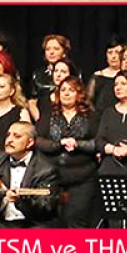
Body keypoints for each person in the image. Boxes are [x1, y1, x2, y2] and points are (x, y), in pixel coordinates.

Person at [36, 78, 101, 228]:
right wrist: (59, 144)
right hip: (52, 177)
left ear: (79, 94)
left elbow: (98, 142)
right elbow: (38, 140)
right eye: (63, 90)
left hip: (82, 178)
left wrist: (78, 144)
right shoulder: (49, 115)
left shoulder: (91, 116)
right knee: (51, 222)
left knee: (75, 220)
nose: (66, 93)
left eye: (71, 90)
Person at [87, 35, 125, 111]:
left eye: (117, 52)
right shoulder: (97, 75)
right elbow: (88, 100)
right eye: (110, 53)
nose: (113, 56)